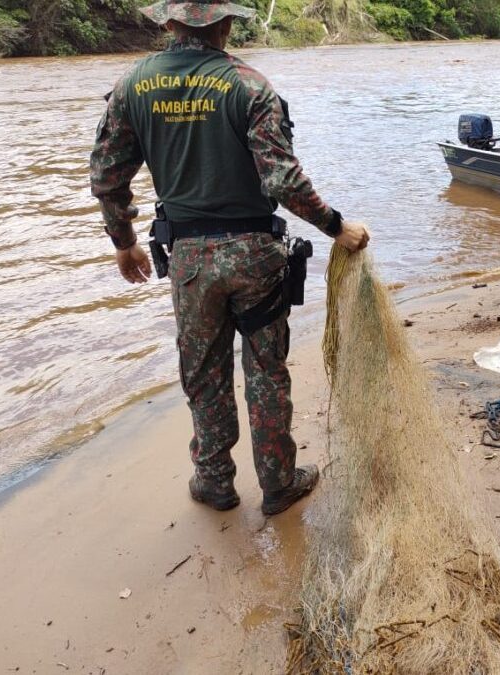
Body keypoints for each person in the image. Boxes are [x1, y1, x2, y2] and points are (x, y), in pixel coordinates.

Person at [89, 0, 369, 516]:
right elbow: (283, 181)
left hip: (191, 261)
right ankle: (279, 484)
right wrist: (336, 226)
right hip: (256, 258)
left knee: (203, 372)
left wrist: (123, 242)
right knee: (266, 370)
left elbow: (107, 176)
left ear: (171, 23)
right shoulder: (250, 86)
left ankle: (215, 481)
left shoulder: (132, 86)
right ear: (225, 23)